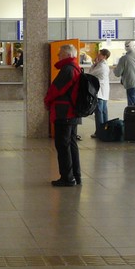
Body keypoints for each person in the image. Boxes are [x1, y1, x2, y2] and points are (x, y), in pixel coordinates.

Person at [44, 43, 81, 186]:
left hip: (64, 113)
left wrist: (47, 101)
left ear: (67, 55)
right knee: (71, 144)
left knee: (63, 145)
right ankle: (75, 175)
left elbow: (56, 90)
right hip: (73, 112)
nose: (58, 55)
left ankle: (67, 177)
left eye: (60, 53)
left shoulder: (67, 70)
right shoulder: (76, 68)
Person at [114, 40, 135, 105]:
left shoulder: (124, 58)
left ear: (125, 48)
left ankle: (134, 115)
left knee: (132, 107)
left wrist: (115, 69)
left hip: (131, 85)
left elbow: (117, 73)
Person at [88, 48, 111, 138]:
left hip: (100, 92)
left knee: (99, 112)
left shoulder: (101, 66)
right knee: (104, 112)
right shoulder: (103, 65)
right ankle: (104, 130)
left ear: (104, 56)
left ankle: (99, 132)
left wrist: (94, 64)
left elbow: (91, 73)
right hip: (103, 92)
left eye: (100, 54)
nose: (98, 55)